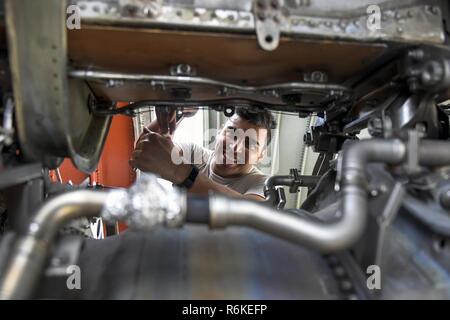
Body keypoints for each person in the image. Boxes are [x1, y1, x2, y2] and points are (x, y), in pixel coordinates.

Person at [129, 107, 277, 201]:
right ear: (219, 132)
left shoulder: (264, 183)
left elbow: (251, 214)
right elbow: (144, 149)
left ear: (260, 155)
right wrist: (177, 113)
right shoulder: (194, 154)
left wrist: (182, 173)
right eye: (232, 134)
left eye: (249, 144)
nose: (235, 148)